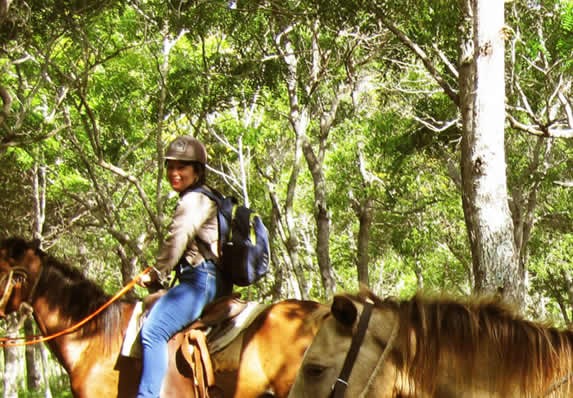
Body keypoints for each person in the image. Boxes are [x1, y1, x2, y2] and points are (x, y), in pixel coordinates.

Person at [136, 135, 232, 398]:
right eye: (170, 166)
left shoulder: (194, 201)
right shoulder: (209, 197)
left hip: (200, 282)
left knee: (152, 331)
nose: (174, 173)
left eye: (182, 167)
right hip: (213, 280)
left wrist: (157, 272)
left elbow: (177, 240)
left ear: (197, 171)